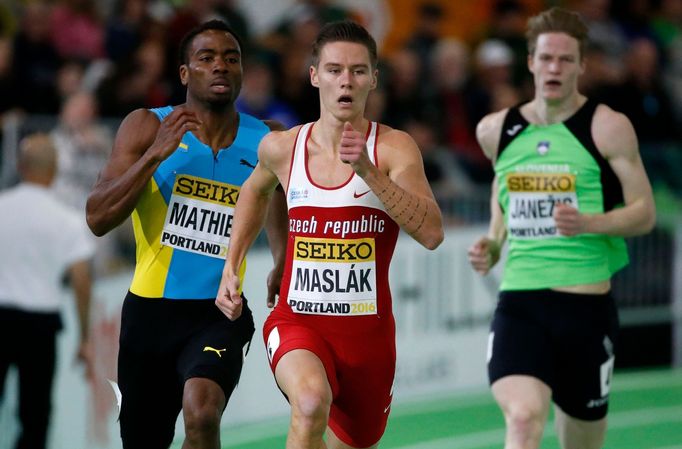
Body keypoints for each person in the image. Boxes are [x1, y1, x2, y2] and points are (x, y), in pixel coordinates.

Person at [216, 20, 444, 449]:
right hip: (298, 319)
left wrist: (369, 173)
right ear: (315, 75)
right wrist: (237, 263)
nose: (346, 81)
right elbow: (256, 192)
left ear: (374, 79)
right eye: (335, 69)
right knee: (308, 403)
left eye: (358, 71)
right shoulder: (282, 147)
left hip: (367, 339)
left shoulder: (392, 148)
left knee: (353, 441)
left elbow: (431, 233)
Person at [85, 20, 287, 449]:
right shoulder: (145, 126)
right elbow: (98, 217)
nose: (220, 67)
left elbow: (275, 204)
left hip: (218, 313)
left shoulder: (265, 138)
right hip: (149, 314)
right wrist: (155, 154)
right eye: (207, 58)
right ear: (184, 73)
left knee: (202, 411)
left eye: (231, 59)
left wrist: (281, 261)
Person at [467, 7, 656, 449]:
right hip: (521, 303)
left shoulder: (608, 127)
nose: (555, 68)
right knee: (524, 419)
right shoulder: (496, 130)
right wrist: (495, 242)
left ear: (581, 65)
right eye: (546, 58)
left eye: (565, 60)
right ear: (530, 61)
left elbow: (644, 211)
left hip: (586, 310)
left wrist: (590, 222)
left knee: (581, 443)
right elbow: (504, 186)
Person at [0, 133, 94, 449]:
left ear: (20, 165)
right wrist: (84, 337)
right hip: (40, 323)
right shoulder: (66, 220)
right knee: (36, 412)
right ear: (54, 170)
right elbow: (81, 280)